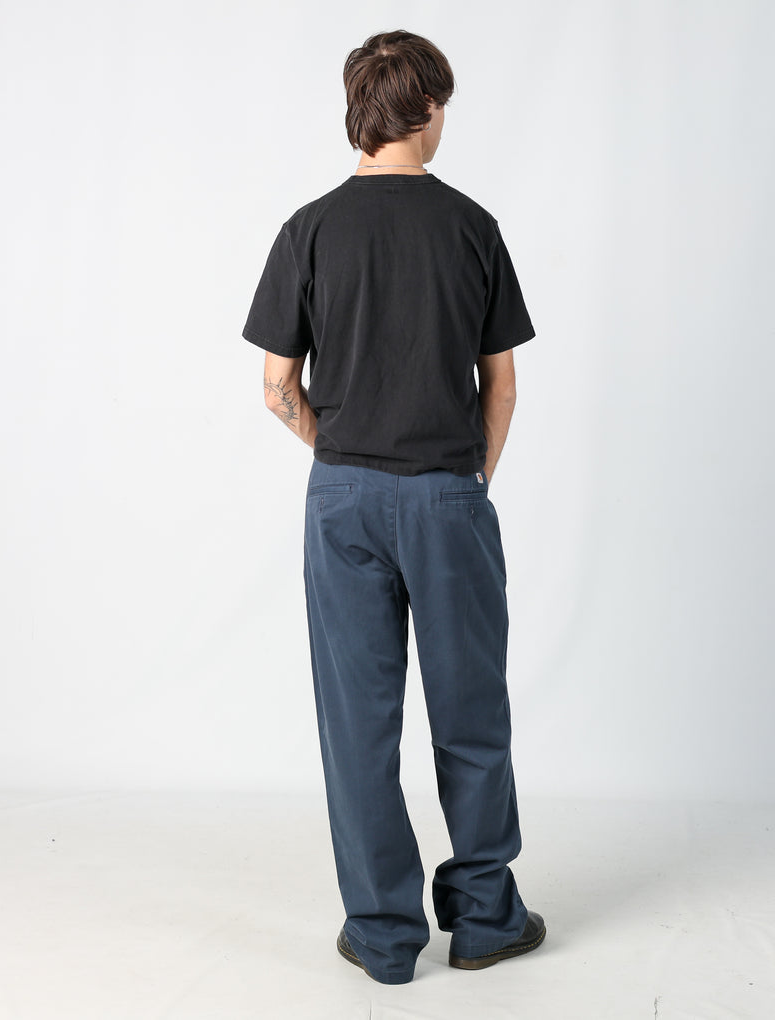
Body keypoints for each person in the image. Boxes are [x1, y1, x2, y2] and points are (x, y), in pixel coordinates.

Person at [241, 29, 544, 985]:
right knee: (470, 711)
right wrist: (467, 480)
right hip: (448, 492)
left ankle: (381, 934)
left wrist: (336, 453)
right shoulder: (472, 227)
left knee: (357, 725)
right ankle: (486, 919)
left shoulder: (310, 229)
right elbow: (501, 387)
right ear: (428, 109)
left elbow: (277, 387)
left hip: (344, 499)